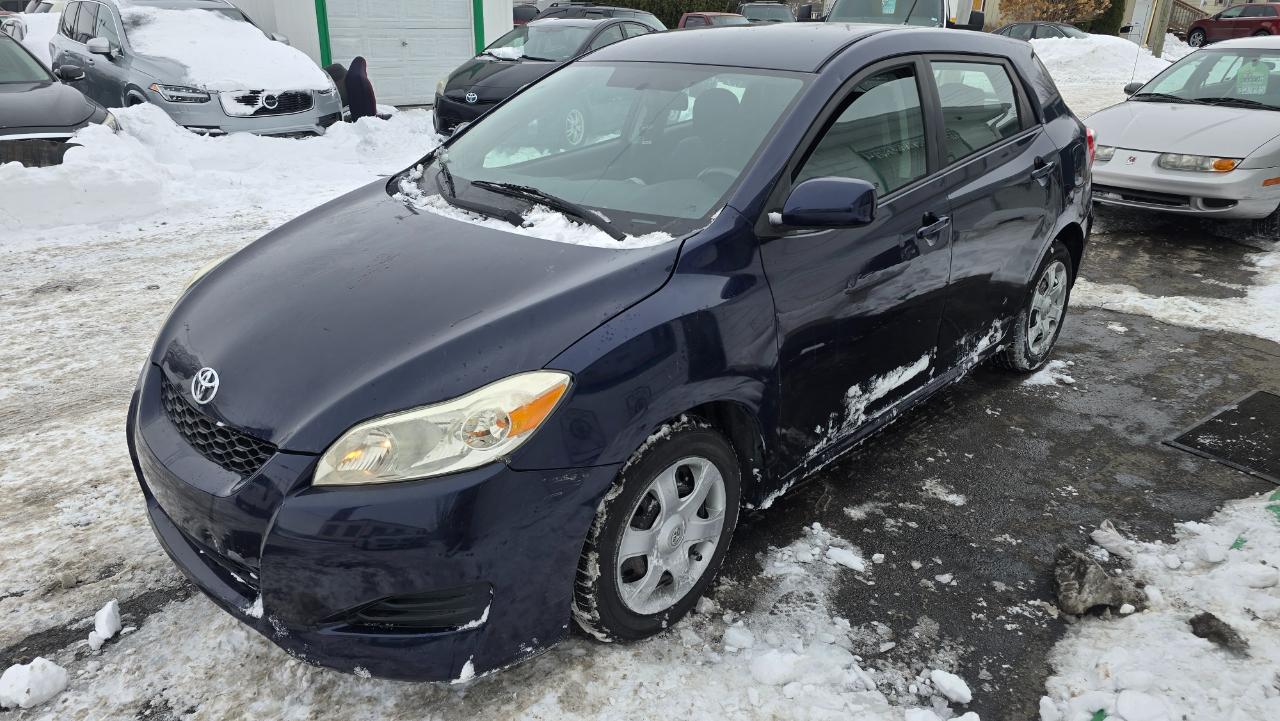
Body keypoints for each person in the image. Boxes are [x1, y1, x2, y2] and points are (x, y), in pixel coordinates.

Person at [345, 56, 377, 121]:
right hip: (367, 115)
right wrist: (374, 112)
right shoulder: (362, 78)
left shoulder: (348, 76)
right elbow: (371, 97)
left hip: (354, 112)